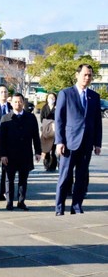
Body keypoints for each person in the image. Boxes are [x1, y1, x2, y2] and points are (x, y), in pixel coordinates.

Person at [55, 64, 102, 216]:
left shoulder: (94, 97)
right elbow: (60, 120)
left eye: (90, 75)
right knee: (65, 177)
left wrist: (97, 143)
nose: (87, 78)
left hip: (86, 143)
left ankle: (76, 206)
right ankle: (59, 207)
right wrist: (59, 141)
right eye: (85, 74)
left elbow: (97, 122)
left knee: (82, 177)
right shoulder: (66, 93)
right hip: (69, 143)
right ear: (77, 75)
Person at [0, 93, 41, 211]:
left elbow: (35, 136)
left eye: (20, 102)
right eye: (15, 102)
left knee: (23, 180)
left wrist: (38, 151)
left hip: (25, 153)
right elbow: (2, 139)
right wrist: (3, 154)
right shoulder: (6, 118)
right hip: (10, 154)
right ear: (11, 103)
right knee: (9, 179)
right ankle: (9, 202)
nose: (18, 104)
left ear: (23, 103)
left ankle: (21, 201)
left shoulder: (31, 117)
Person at [40, 93, 57, 171]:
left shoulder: (57, 107)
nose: (51, 99)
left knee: (53, 149)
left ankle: (53, 165)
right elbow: (41, 118)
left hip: (55, 131)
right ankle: (46, 165)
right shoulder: (44, 107)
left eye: (53, 97)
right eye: (50, 97)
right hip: (46, 130)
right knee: (46, 148)